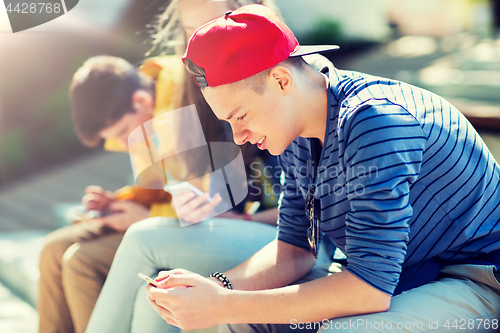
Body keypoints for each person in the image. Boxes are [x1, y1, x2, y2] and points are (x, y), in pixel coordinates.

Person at [144, 4, 500, 332]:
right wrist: (219, 288)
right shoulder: (298, 126)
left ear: (282, 81)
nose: (238, 137)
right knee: (245, 320)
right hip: (409, 270)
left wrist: (224, 306)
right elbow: (295, 250)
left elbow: (368, 291)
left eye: (241, 116)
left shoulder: (372, 121)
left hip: (474, 273)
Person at [84, 1, 335, 332]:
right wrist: (188, 201)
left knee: (142, 239)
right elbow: (199, 189)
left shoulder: (289, 89)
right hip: (248, 227)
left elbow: (312, 213)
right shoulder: (207, 99)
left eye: (215, 27)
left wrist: (234, 221)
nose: (203, 43)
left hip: (291, 239)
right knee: (156, 292)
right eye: (192, 34)